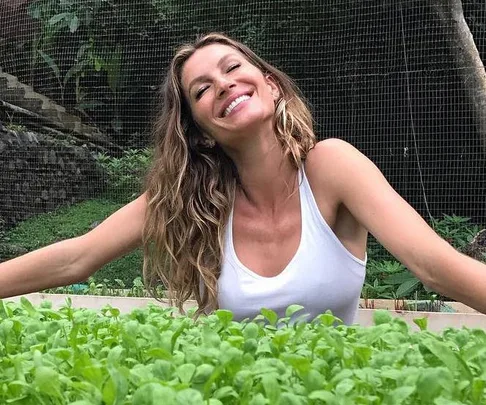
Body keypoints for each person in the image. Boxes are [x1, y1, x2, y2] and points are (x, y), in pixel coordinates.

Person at [1, 33, 485, 324]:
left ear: (270, 83)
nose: (224, 84)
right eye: (202, 89)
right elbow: (77, 258)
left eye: (232, 68)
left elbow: (436, 268)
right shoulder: (185, 198)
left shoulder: (332, 167)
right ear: (203, 132)